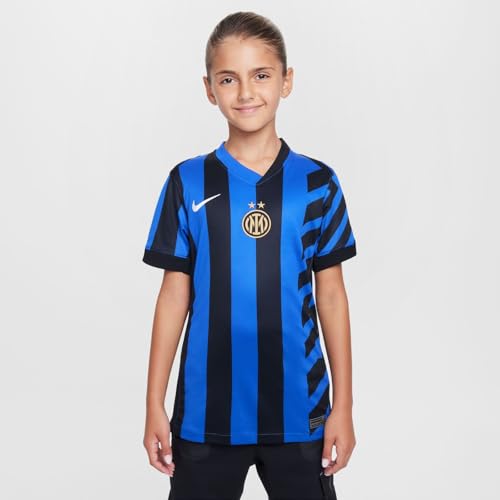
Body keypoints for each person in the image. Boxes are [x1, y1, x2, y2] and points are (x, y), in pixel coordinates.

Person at [142, 11, 357, 500]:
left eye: (261, 75)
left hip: (300, 410)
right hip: (207, 414)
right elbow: (173, 296)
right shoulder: (187, 181)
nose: (245, 92)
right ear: (209, 89)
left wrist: (343, 406)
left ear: (286, 81)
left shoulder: (317, 183)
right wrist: (154, 401)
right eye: (228, 79)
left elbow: (331, 296)